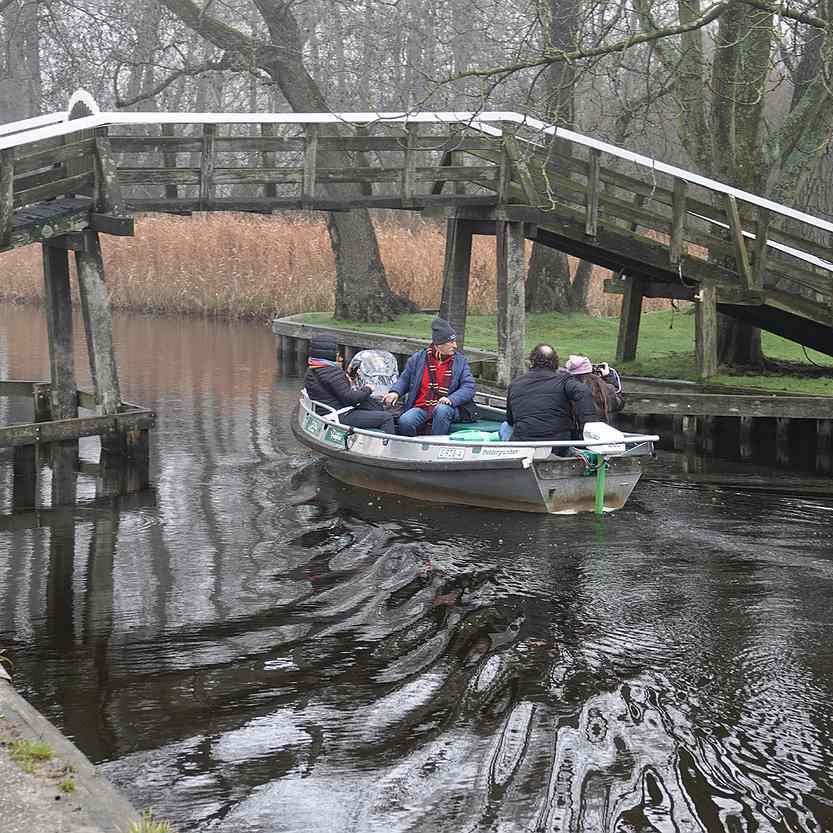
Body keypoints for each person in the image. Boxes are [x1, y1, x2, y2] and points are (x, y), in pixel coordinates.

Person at [382, 317, 476, 436]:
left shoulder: (460, 361)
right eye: (451, 342)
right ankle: (412, 447)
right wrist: (395, 392)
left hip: (450, 408)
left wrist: (451, 399)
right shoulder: (417, 359)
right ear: (438, 345)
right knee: (405, 421)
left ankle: (436, 444)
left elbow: (469, 387)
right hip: (422, 407)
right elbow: (404, 379)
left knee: (442, 410)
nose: (455, 345)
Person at [499, 344, 598, 450]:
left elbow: (510, 420)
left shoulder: (514, 384)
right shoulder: (565, 381)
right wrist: (585, 430)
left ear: (532, 362)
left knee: (505, 426)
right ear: (556, 362)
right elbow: (583, 391)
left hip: (522, 445)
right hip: (558, 446)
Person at [304, 335, 395, 434]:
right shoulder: (332, 372)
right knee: (386, 418)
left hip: (327, 411)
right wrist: (368, 388)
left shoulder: (312, 369)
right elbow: (351, 399)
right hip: (339, 415)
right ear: (329, 353)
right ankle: (389, 446)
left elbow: (337, 391)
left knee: (372, 404)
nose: (340, 356)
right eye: (336, 351)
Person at [564, 355, 624, 424]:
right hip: (598, 431)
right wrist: (608, 378)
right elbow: (619, 403)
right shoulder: (604, 390)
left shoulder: (564, 388)